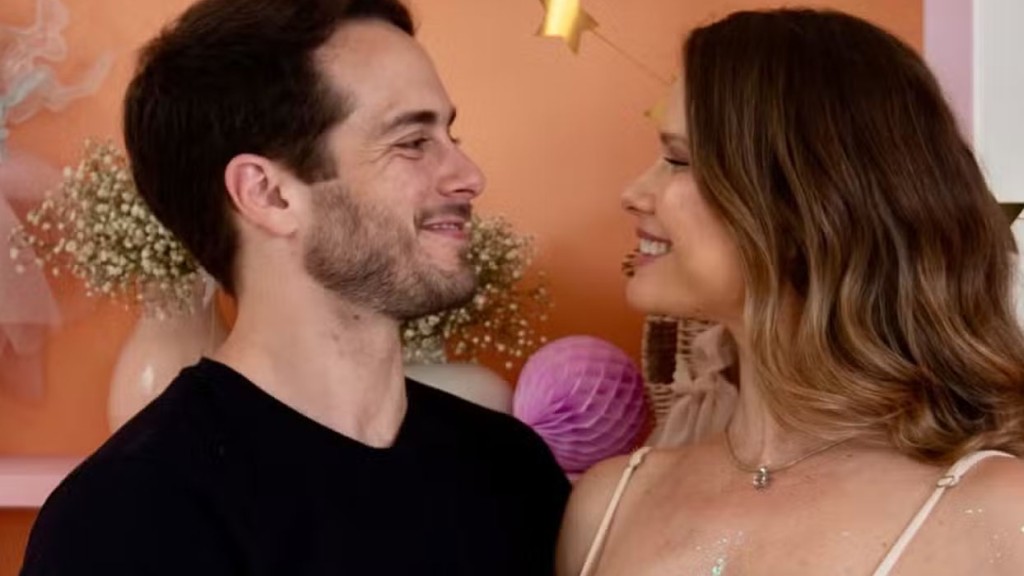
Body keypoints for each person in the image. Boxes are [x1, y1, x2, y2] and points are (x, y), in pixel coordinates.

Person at [20, 0, 570, 574]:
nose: (469, 176)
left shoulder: (513, 469)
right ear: (269, 194)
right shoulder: (126, 519)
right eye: (412, 141)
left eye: (450, 134)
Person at [558, 8, 1024, 576]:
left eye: (677, 160)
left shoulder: (999, 513)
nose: (633, 194)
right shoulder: (610, 505)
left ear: (810, 206)